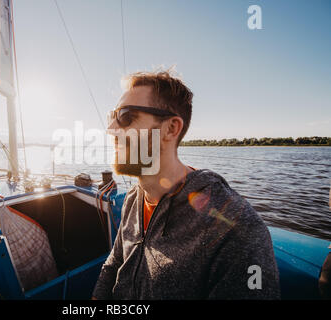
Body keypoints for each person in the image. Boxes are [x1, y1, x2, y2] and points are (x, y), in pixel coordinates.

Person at [92, 69, 281, 299]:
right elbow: (115, 262)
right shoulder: (133, 199)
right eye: (112, 116)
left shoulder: (238, 228)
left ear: (171, 128)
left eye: (126, 116)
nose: (111, 129)